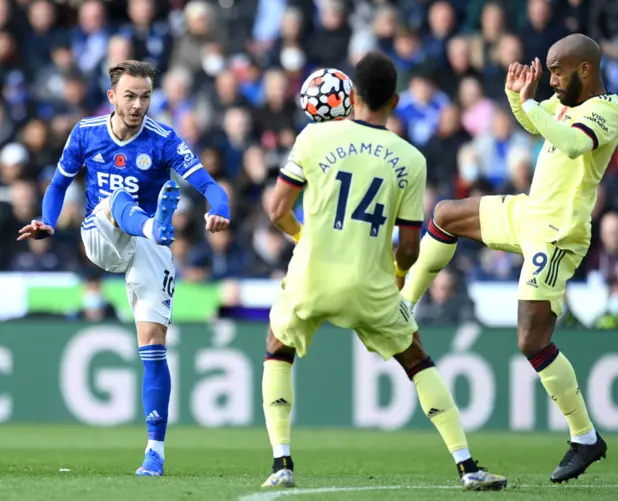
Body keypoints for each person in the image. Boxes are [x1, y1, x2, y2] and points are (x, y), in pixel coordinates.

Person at [261, 52, 507, 491]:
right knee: (416, 360)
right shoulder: (411, 159)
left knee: (277, 349)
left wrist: (304, 239)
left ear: (352, 96)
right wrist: (396, 275)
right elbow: (410, 247)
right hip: (371, 284)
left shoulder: (314, 139)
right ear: (395, 100)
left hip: (311, 278)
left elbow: (277, 209)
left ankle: (282, 463)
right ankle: (467, 466)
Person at [400, 33, 618, 483]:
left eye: (558, 71)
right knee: (445, 214)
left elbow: (575, 144)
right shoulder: (564, 102)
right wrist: (517, 98)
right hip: (528, 213)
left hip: (557, 237)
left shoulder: (606, 111)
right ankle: (404, 305)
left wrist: (536, 106)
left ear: (584, 69)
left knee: (532, 342)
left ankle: (584, 437)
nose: (552, 79)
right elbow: (538, 126)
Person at [16, 60, 230, 476]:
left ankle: (155, 453)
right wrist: (48, 220)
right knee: (114, 203)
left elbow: (210, 186)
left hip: (148, 248)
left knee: (153, 347)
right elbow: (59, 184)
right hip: (103, 236)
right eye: (129, 96)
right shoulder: (86, 132)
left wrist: (218, 210)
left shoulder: (163, 139)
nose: (137, 105)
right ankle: (154, 222)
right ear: (112, 96)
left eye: (145, 96)